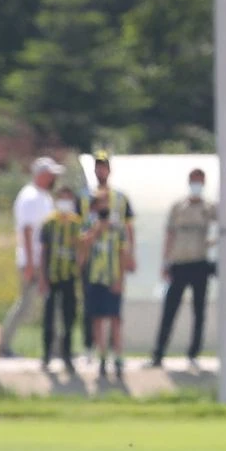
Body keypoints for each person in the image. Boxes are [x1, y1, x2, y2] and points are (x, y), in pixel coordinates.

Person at [151, 168, 217, 367]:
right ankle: (158, 352)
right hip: (179, 264)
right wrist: (165, 263)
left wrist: (211, 243)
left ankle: (193, 353)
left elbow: (224, 229)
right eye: (193, 180)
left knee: (199, 311)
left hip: (199, 264)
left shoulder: (209, 208)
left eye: (199, 180)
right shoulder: (178, 207)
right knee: (170, 310)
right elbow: (169, 236)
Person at [0, 158, 62, 356]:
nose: (54, 178)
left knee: (52, 304)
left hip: (44, 259)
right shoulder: (30, 196)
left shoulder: (44, 196)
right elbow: (26, 230)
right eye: (51, 174)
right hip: (33, 260)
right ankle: (3, 344)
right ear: (41, 174)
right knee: (25, 305)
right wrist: (29, 262)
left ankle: (57, 346)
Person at [79, 152, 135, 357]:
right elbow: (81, 236)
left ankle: (117, 354)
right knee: (95, 315)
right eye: (97, 166)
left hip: (113, 268)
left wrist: (130, 257)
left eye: (104, 166)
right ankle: (98, 351)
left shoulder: (121, 199)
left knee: (115, 315)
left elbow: (128, 230)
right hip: (94, 269)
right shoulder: (84, 197)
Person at [80, 187, 127, 382]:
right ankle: (101, 357)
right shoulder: (89, 225)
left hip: (112, 277)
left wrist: (120, 279)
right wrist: (96, 230)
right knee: (97, 319)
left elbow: (122, 254)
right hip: (94, 278)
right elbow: (83, 249)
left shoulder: (117, 228)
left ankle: (118, 357)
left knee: (115, 319)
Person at [39, 186, 81, 372]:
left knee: (69, 317)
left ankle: (67, 354)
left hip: (69, 276)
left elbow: (81, 249)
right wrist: (42, 276)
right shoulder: (49, 223)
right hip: (52, 275)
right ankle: (47, 354)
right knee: (49, 316)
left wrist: (79, 270)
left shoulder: (76, 223)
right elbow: (44, 251)